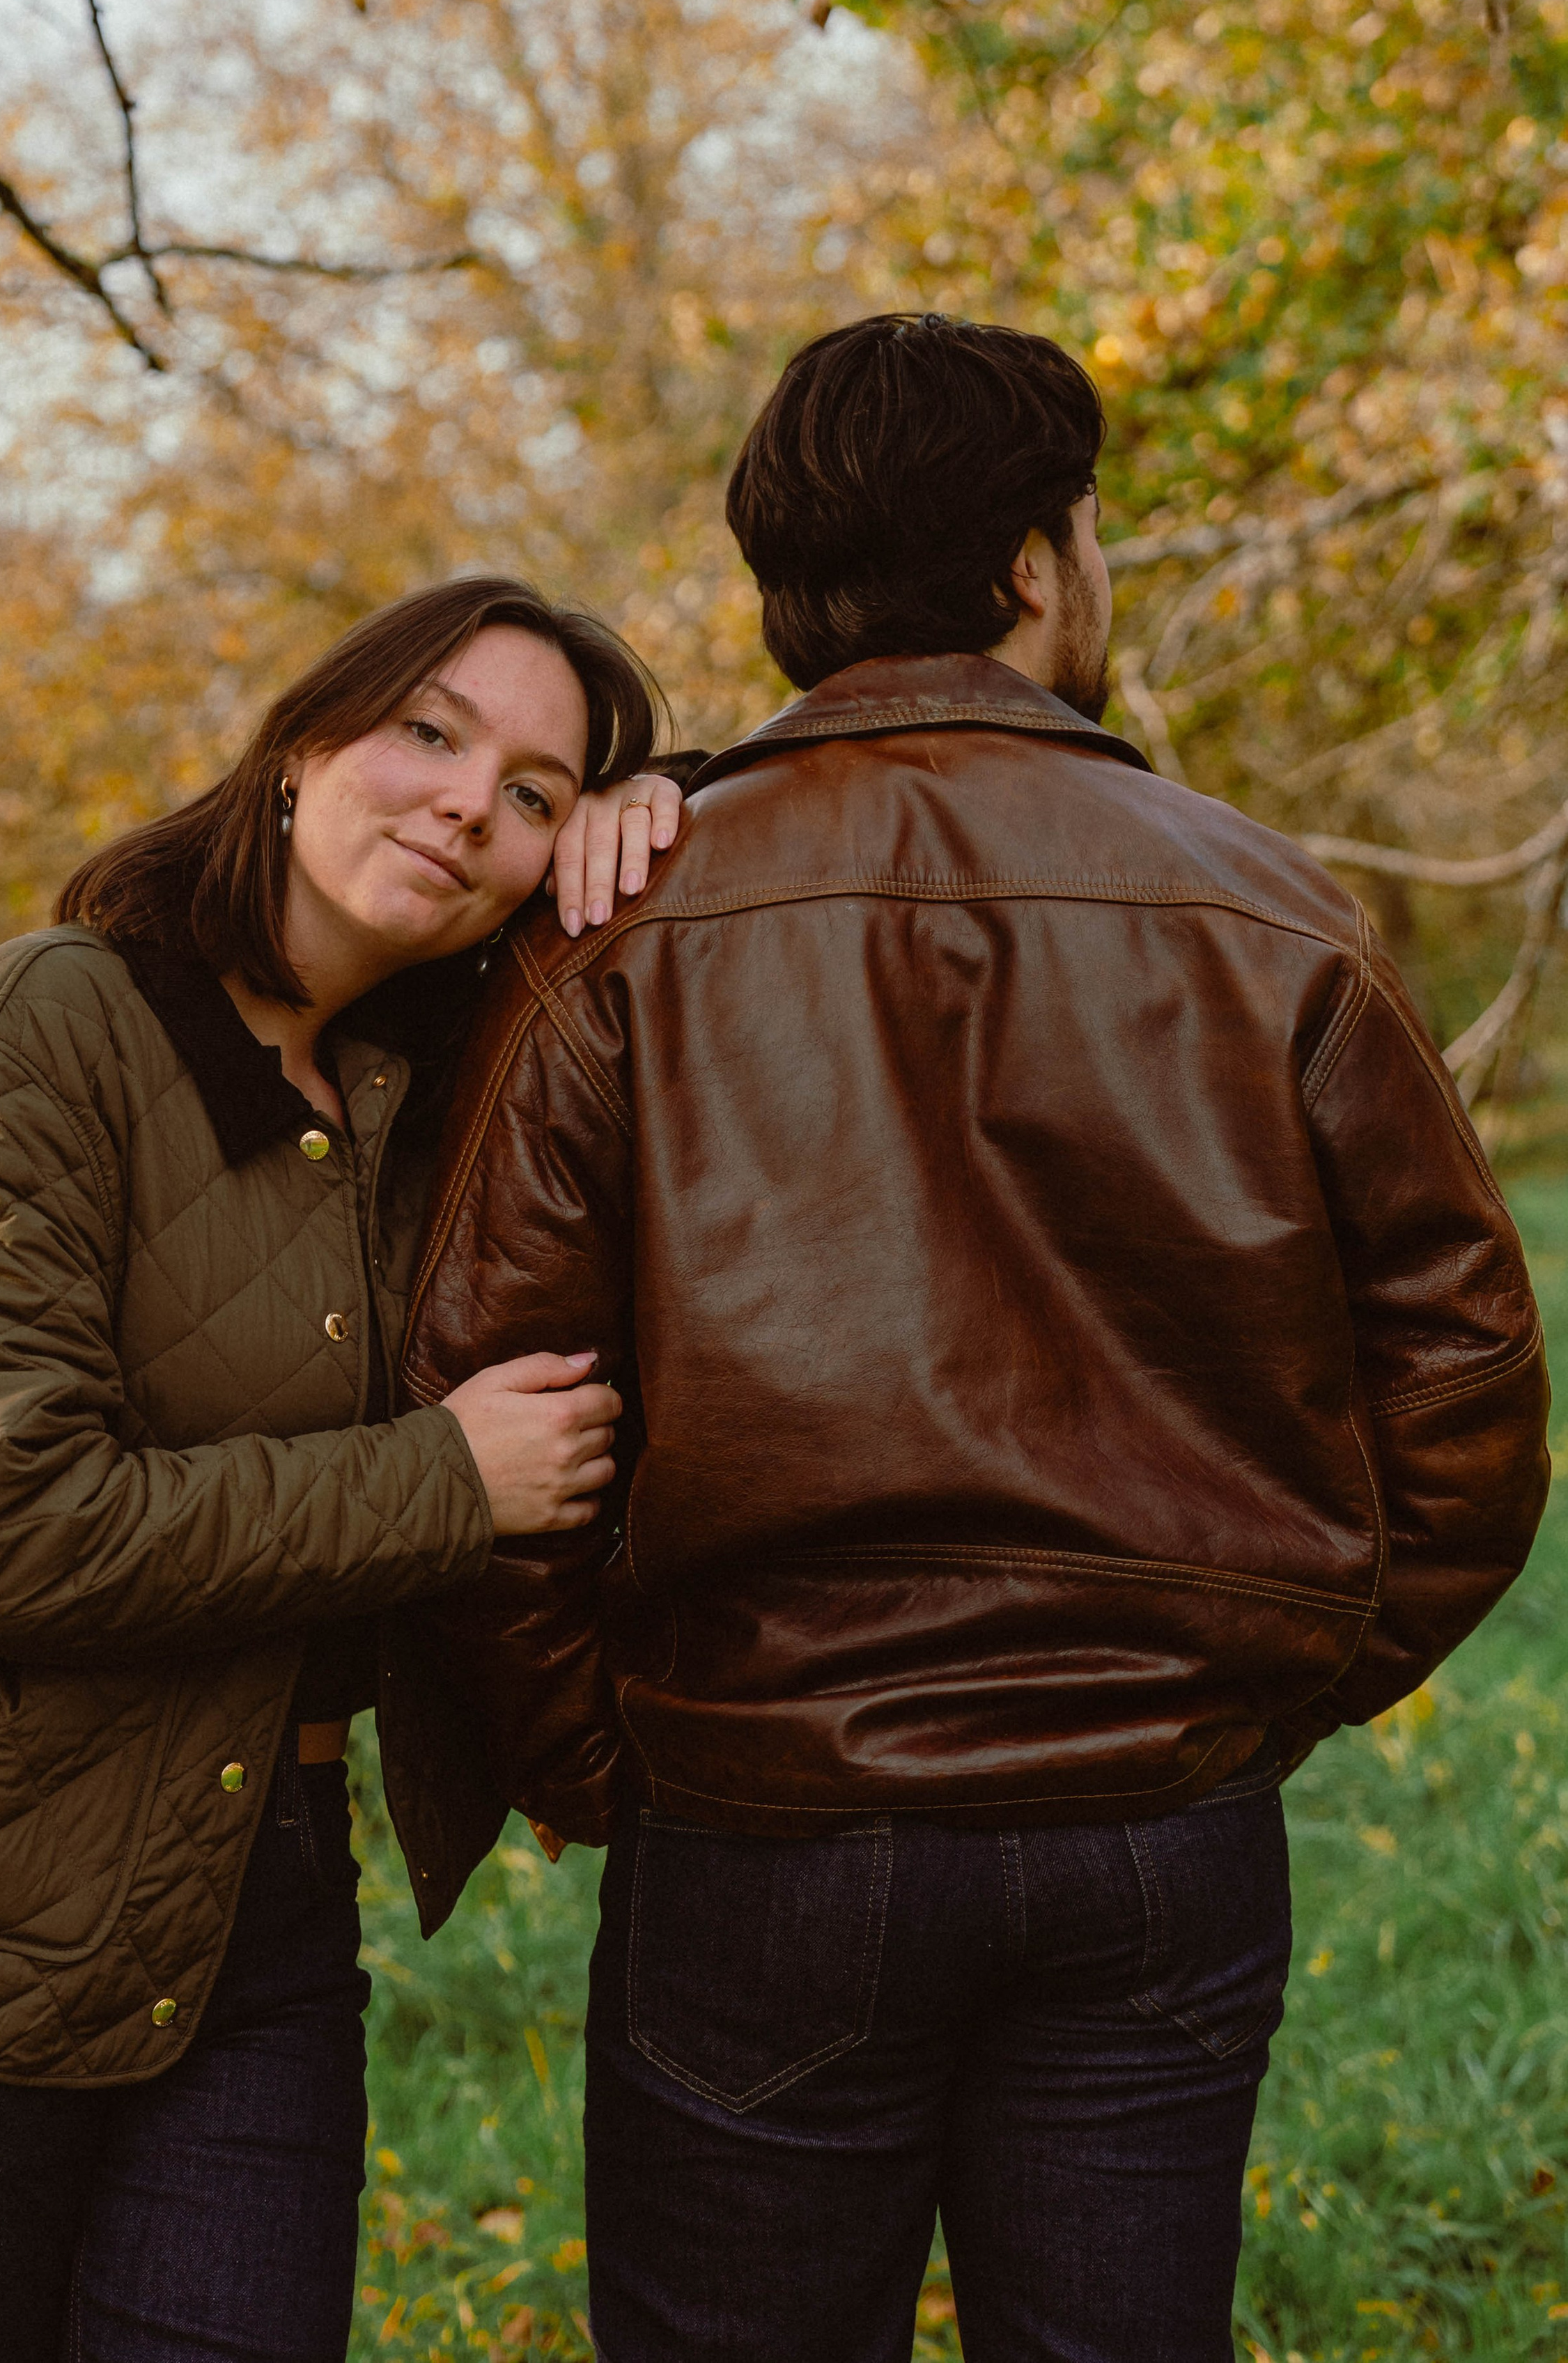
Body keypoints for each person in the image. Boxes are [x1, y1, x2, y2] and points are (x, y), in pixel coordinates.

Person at [401, 318, 1553, 2363]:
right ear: (1036, 561)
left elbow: (479, 1390)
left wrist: (620, 1760)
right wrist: (1241, 1698)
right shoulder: (1272, 914)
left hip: (757, 1824)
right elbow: (1464, 1393)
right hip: (1155, 1831)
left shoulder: (617, 933)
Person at [0, 575, 692, 2363]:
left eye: (533, 792)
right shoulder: (49, 1024)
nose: (469, 805)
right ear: (298, 747)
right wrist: (447, 1484)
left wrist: (688, 803)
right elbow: (4, 1533)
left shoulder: (430, 1090)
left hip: (260, 1901)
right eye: (429, 733)